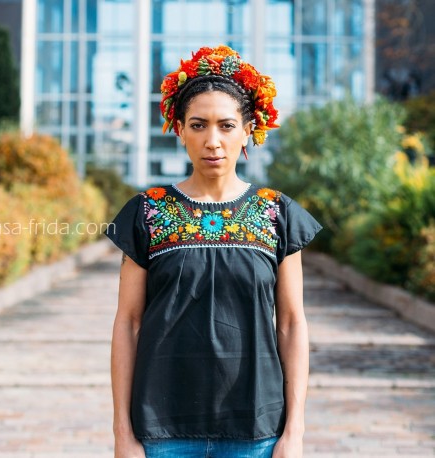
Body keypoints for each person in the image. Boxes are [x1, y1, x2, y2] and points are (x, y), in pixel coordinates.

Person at [105, 45, 322, 458]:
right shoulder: (147, 212)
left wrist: (294, 432)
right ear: (180, 130)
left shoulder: (277, 213)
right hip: (160, 431)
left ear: (248, 131)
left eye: (226, 126)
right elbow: (128, 323)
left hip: (257, 431)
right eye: (198, 125)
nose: (212, 141)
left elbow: (292, 325)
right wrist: (122, 434)